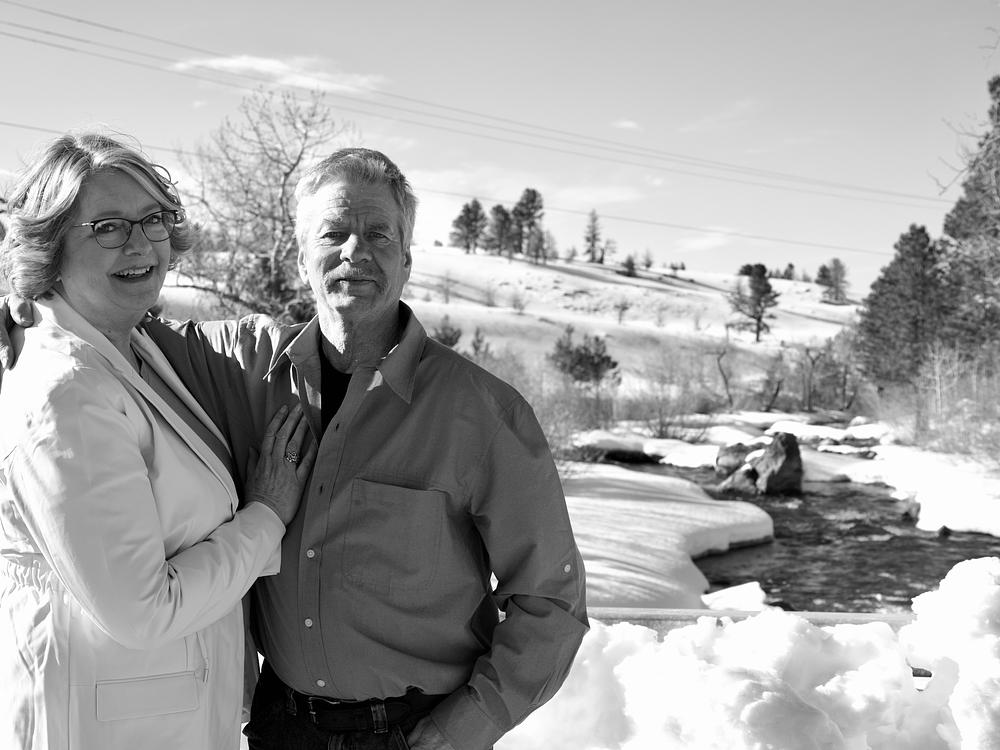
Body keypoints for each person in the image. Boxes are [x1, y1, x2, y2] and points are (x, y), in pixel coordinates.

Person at [2, 147, 588, 749]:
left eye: (378, 233)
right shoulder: (238, 366)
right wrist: (21, 304)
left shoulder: (482, 412)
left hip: (412, 732)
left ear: (407, 257)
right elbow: (103, 320)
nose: (355, 251)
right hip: (280, 728)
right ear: (302, 255)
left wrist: (468, 727)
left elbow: (550, 599)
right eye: (333, 233)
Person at [0, 132, 316, 750]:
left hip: (170, 716)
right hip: (99, 726)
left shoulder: (135, 344)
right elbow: (144, 610)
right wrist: (267, 516)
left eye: (153, 218)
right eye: (108, 227)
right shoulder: (66, 394)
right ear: (49, 246)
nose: (141, 242)